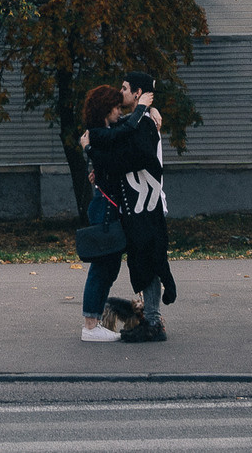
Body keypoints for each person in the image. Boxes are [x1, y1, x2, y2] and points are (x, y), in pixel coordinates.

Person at [84, 70, 173, 341]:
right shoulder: (130, 123)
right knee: (138, 261)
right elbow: (117, 140)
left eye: (124, 88)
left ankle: (153, 322)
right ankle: (148, 319)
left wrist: (98, 159)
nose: (120, 92)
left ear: (137, 93)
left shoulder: (144, 125)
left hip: (146, 206)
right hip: (133, 208)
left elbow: (127, 157)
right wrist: (100, 169)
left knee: (149, 260)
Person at [75, 84, 129, 342]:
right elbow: (110, 162)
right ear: (105, 109)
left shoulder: (105, 132)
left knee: (109, 267)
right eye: (116, 107)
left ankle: (93, 322)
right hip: (104, 208)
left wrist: (150, 111)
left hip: (106, 206)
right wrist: (88, 151)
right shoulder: (97, 135)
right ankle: (90, 325)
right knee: (101, 267)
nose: (120, 111)